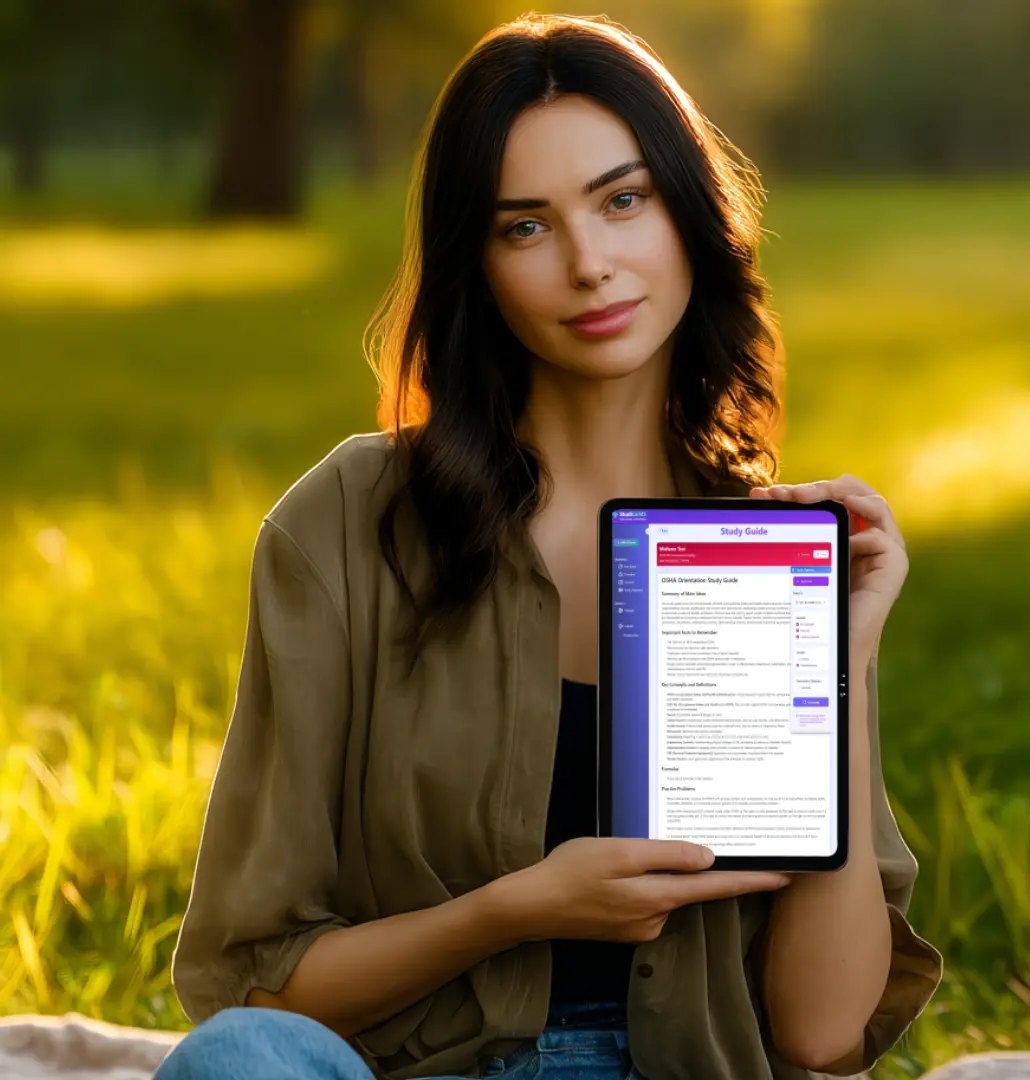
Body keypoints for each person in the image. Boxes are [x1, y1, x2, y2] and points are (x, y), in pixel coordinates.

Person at [156, 12, 943, 1080]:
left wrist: (838, 663)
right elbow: (256, 988)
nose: (589, 265)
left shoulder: (764, 553)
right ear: (476, 265)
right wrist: (514, 910)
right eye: (525, 226)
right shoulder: (345, 523)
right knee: (238, 1061)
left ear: (689, 214)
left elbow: (818, 1033)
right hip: (427, 1068)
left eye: (623, 201)